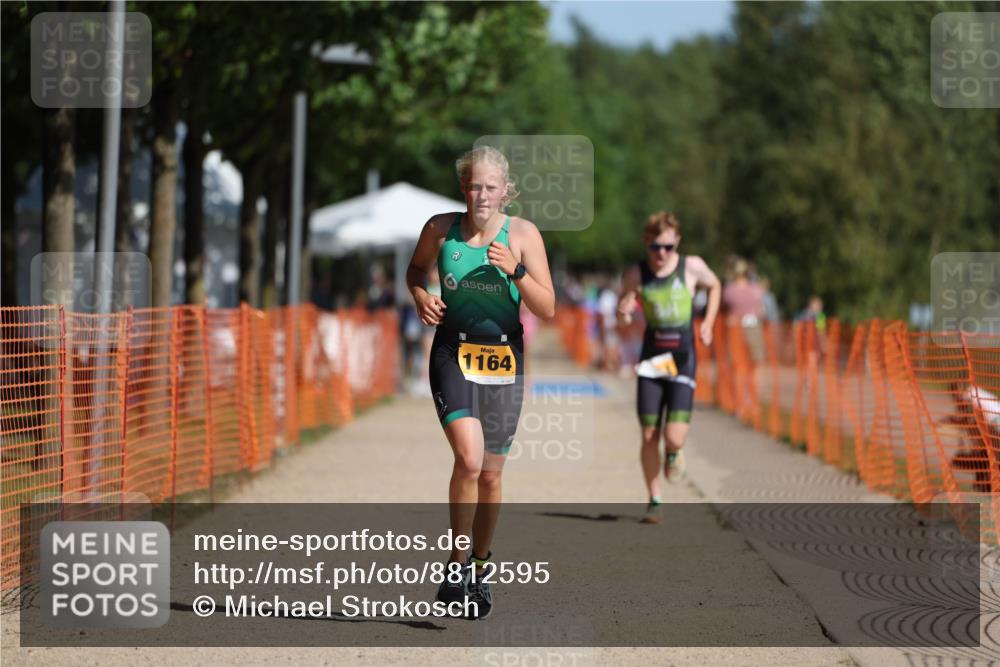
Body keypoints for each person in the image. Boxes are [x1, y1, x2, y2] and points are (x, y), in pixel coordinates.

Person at [405, 146, 555, 619]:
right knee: (468, 460)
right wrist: (420, 295)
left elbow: (547, 307)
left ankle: (480, 566)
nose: (482, 195)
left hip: (504, 359)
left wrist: (517, 269)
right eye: (474, 186)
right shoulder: (439, 229)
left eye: (491, 187)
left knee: (491, 473)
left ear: (505, 189)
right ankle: (455, 564)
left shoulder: (524, 234)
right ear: (462, 188)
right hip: (452, 352)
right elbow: (414, 271)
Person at [617, 212, 721, 524]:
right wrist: (623, 311)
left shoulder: (692, 267)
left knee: (673, 437)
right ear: (646, 243)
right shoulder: (636, 274)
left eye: (668, 247)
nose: (661, 254)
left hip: (682, 359)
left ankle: (674, 453)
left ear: (676, 243)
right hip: (652, 359)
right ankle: (655, 499)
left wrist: (709, 324)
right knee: (649, 434)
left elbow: (715, 286)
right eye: (655, 247)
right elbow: (622, 313)